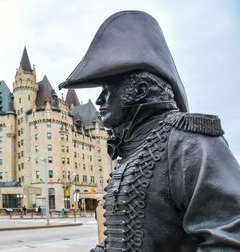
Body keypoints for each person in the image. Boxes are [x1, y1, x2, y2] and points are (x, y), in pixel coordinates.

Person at [59, 10, 240, 252]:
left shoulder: (190, 141)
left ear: (141, 91)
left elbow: (229, 239)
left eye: (107, 90)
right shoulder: (132, 151)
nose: (100, 100)